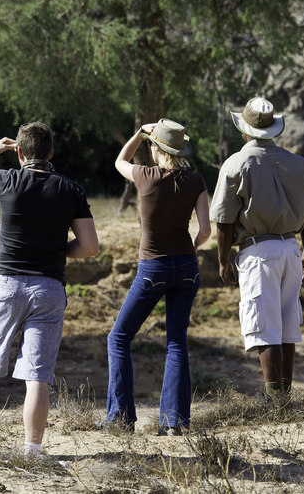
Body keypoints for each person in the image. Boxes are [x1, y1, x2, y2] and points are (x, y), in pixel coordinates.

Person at [0, 122, 99, 457]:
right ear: (51, 153)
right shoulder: (71, 190)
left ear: (18, 152)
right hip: (49, 289)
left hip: (7, 285)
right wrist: (58, 252)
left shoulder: (4, 179)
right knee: (37, 374)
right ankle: (32, 449)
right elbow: (89, 247)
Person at [104, 119, 211, 436]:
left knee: (119, 338)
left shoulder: (145, 176)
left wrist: (138, 133)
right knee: (176, 342)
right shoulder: (196, 181)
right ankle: (174, 422)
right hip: (188, 268)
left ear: (156, 150)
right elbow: (205, 231)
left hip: (153, 268)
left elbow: (119, 162)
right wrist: (190, 247)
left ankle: (121, 418)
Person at [210, 97, 304, 396]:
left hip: (258, 252)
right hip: (291, 250)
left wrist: (223, 260)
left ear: (245, 131)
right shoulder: (298, 163)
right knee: (286, 329)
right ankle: (284, 399)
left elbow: (224, 220)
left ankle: (275, 403)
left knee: (265, 328)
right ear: (273, 130)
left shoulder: (236, 163)